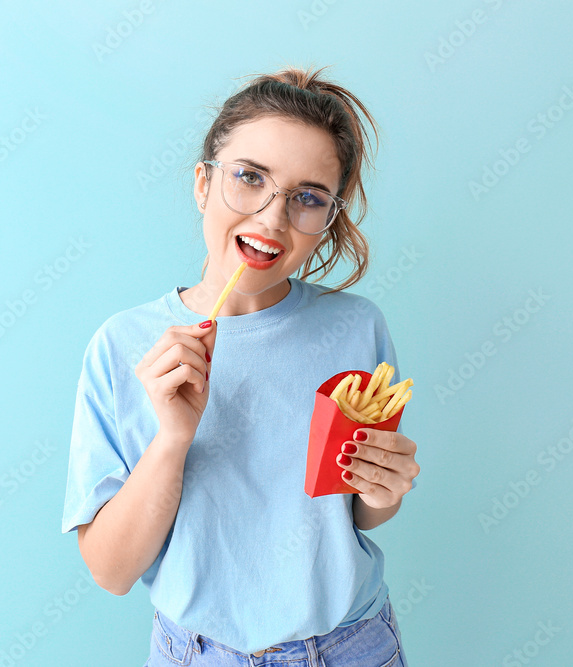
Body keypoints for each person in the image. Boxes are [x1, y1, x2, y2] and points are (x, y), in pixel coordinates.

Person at [61, 65, 419, 666]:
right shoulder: (122, 345)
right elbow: (112, 571)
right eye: (251, 178)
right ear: (203, 183)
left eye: (308, 198)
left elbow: (358, 512)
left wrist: (387, 489)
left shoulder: (357, 327)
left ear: (328, 219)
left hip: (352, 645)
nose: (273, 218)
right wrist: (173, 437)